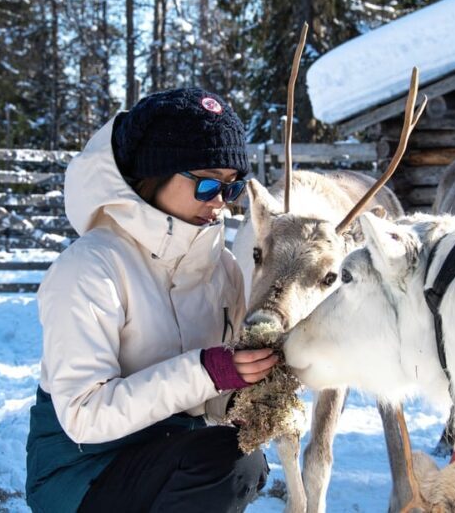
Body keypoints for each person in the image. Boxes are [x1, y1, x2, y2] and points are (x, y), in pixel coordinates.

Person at [25, 88, 278, 513]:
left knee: (242, 458)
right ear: (155, 173)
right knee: (226, 462)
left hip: (168, 452)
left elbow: (212, 401)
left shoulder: (223, 270)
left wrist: (253, 389)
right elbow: (85, 415)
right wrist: (206, 370)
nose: (219, 201)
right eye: (207, 183)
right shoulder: (90, 267)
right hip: (82, 470)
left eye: (231, 188)